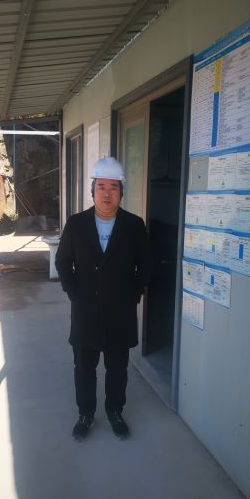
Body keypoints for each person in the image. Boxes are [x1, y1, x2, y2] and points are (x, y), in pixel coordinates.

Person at [55, 157, 152, 441]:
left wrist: (133, 294)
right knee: (84, 368)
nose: (107, 194)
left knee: (117, 368)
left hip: (120, 313)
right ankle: (85, 414)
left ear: (121, 191)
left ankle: (115, 411)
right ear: (92, 190)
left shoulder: (134, 225)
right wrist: (74, 293)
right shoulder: (76, 224)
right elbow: (63, 262)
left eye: (113, 187)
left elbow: (146, 265)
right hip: (85, 312)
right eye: (101, 187)